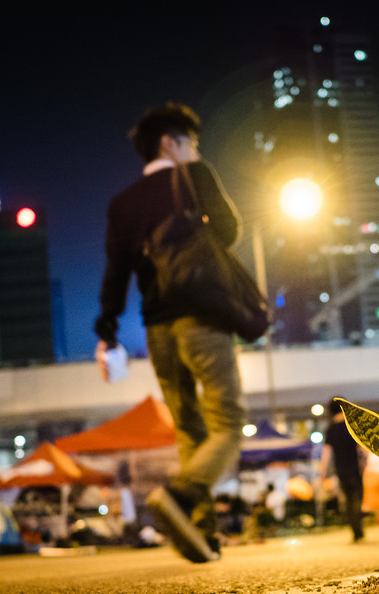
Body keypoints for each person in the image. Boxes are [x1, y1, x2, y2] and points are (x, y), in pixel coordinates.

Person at [93, 102, 245, 563]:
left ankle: (202, 533)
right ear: (170, 142)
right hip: (202, 317)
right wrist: (198, 178)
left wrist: (107, 331)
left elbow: (115, 274)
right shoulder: (194, 177)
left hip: (156, 328)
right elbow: (230, 232)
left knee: (189, 428)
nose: (195, 149)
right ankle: (180, 497)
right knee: (229, 422)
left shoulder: (122, 204)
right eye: (190, 142)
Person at [321, 398, 367, 542]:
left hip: (341, 471)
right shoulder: (350, 426)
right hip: (355, 470)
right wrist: (365, 463)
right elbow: (361, 449)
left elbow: (326, 453)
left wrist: (322, 472)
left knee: (347, 501)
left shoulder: (330, 429)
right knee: (357, 499)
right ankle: (359, 530)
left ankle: (355, 531)